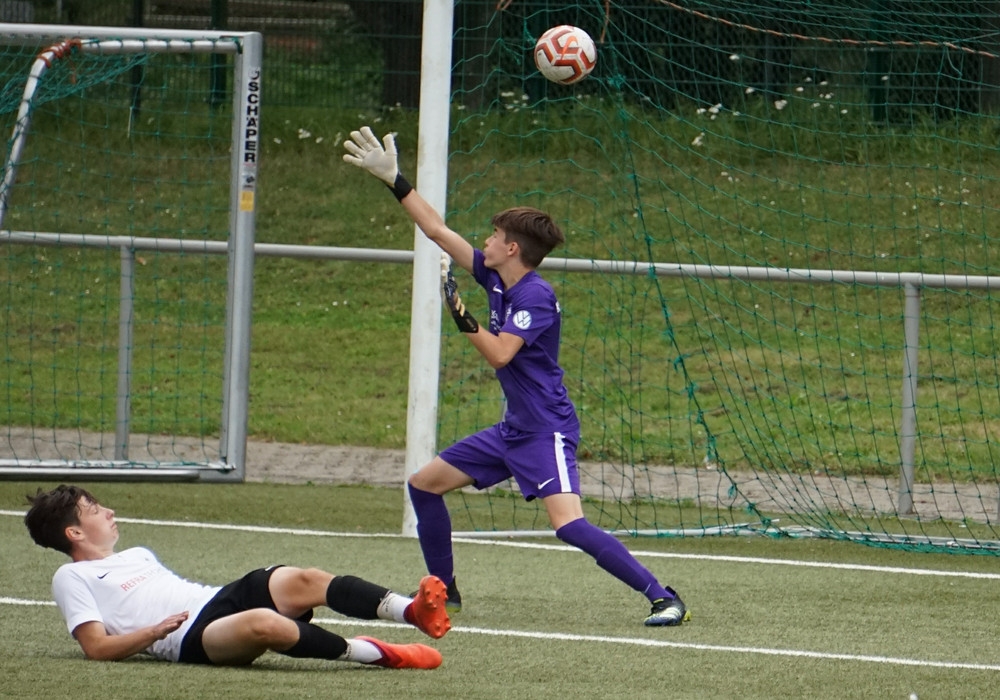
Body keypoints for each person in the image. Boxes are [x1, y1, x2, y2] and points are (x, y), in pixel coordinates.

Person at [343, 126, 691, 626]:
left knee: (569, 525)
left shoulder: (536, 296)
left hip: (546, 429)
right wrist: (394, 180)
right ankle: (445, 593)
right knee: (424, 485)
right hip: (513, 430)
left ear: (511, 249)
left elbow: (502, 354)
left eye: (493, 236)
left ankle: (664, 597)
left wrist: (464, 319)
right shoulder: (495, 276)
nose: (484, 240)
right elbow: (437, 230)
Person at [24, 484, 450, 668]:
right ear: (74, 533)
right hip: (190, 638)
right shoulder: (70, 577)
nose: (109, 511)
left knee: (302, 578)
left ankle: (409, 610)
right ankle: (376, 653)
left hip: (217, 599)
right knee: (264, 623)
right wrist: (155, 632)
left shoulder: (137, 554)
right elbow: (96, 648)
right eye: (95, 510)